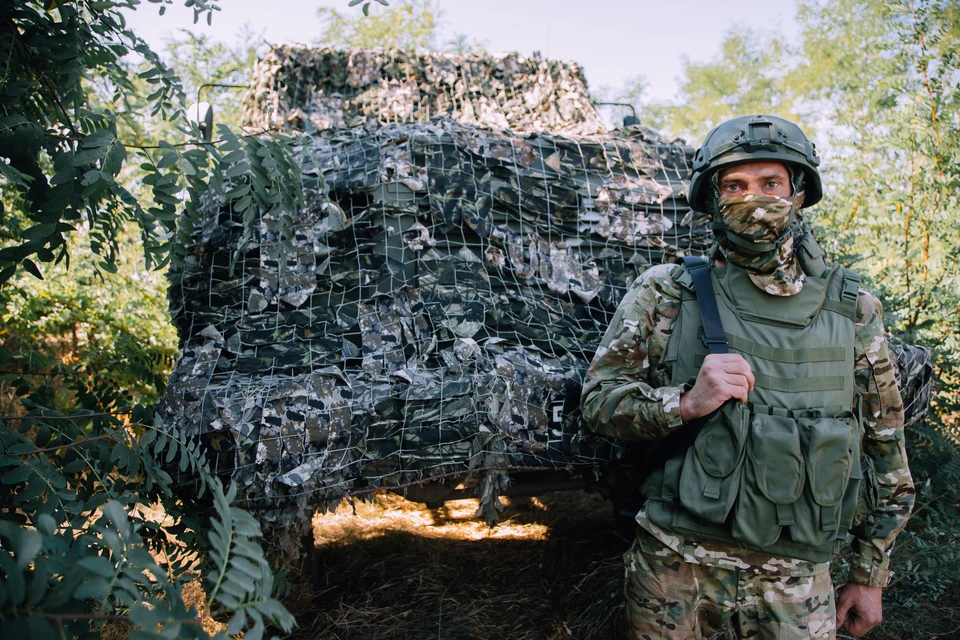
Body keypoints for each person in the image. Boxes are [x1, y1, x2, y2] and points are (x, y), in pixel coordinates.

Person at [581, 114, 914, 640]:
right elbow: (599, 404)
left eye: (770, 183)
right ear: (712, 197)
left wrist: (869, 575)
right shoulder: (666, 292)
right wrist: (685, 403)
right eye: (734, 185)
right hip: (675, 569)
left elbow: (887, 451)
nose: (753, 198)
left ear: (799, 192)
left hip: (797, 582)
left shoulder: (853, 309)